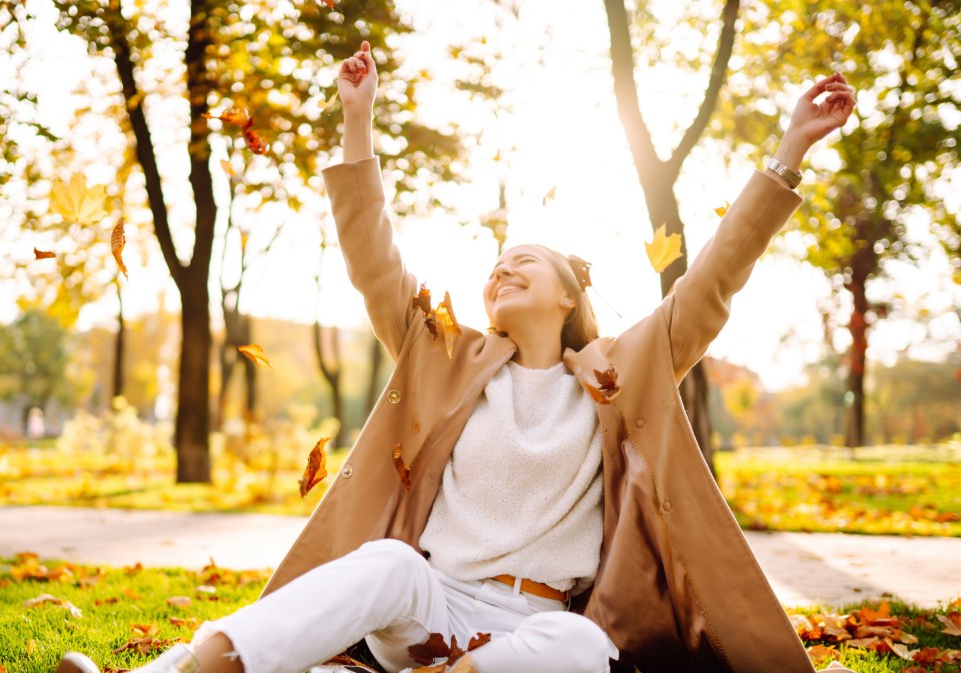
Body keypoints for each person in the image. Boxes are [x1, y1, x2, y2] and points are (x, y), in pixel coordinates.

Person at [57, 42, 857, 673]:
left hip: (538, 627)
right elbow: (374, 260)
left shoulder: (626, 367)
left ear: (567, 294)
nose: (502, 269)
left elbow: (714, 277)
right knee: (384, 565)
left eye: (525, 263)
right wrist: (357, 120)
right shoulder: (444, 355)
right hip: (433, 601)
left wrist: (788, 151)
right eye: (495, 265)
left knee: (588, 649)